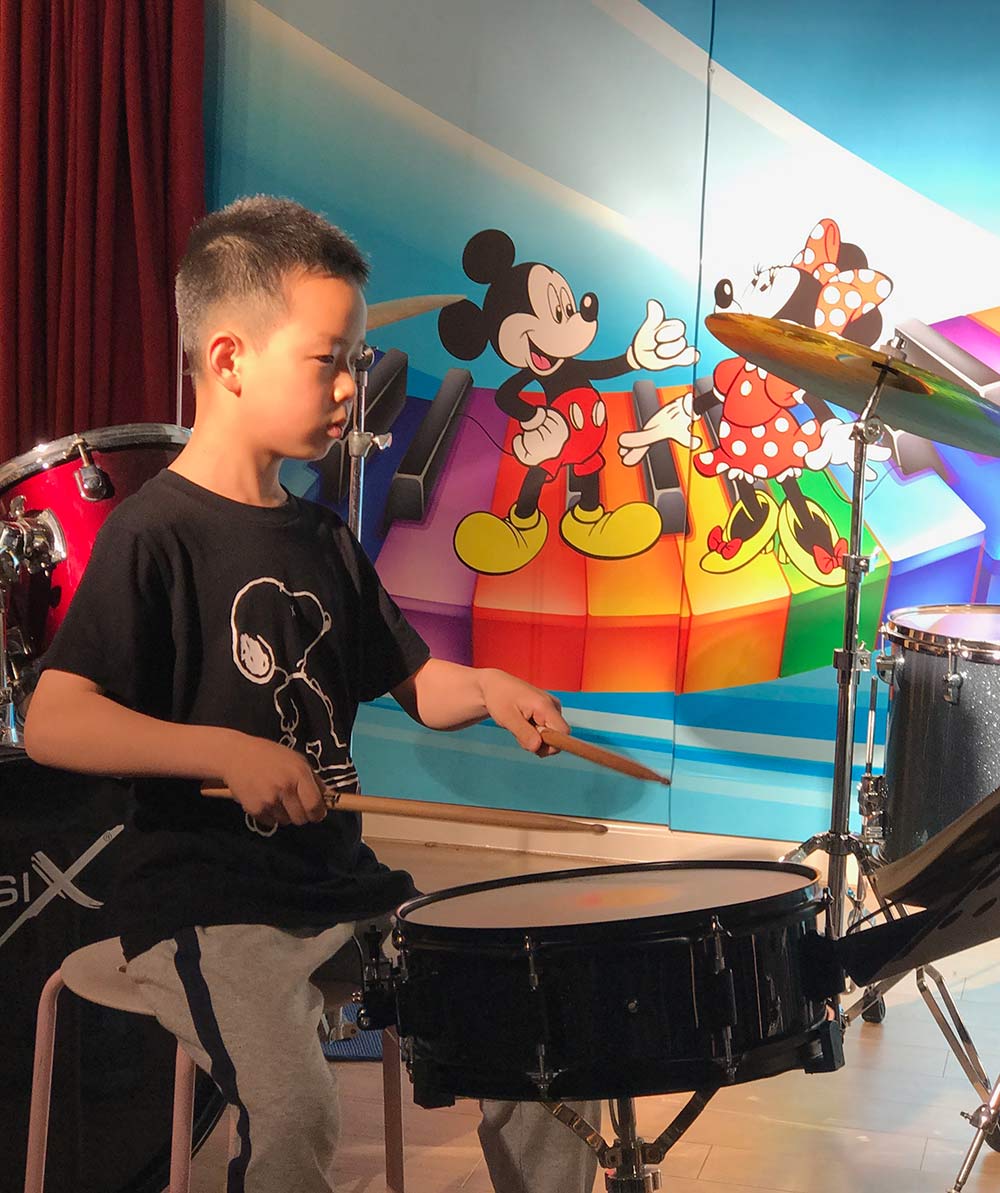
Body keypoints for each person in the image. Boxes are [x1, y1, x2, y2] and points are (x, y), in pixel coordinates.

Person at [24, 196, 600, 1193]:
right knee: (296, 1110)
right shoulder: (152, 534)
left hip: (340, 886)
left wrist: (490, 686)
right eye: (329, 360)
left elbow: (416, 683)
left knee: (541, 1040)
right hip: (206, 901)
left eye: (356, 361)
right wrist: (224, 751)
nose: (352, 387)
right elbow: (53, 719)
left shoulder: (323, 536)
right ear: (231, 358)